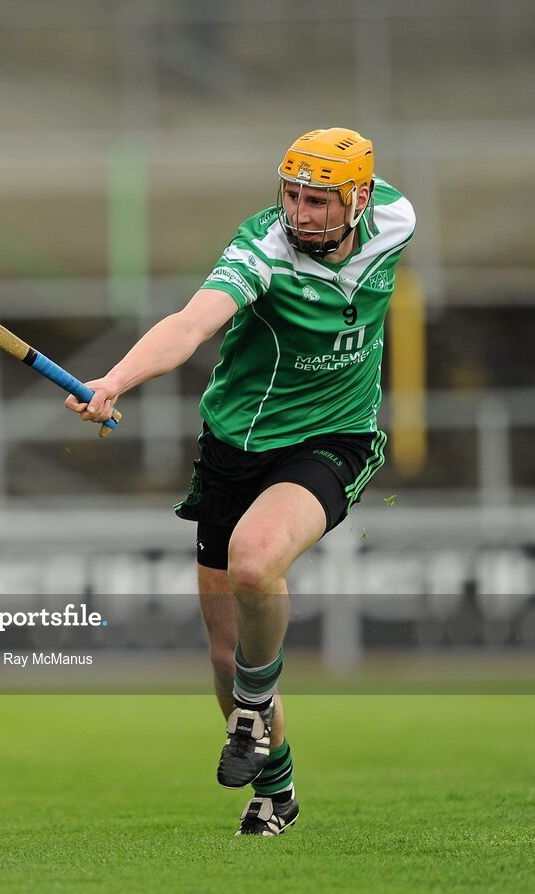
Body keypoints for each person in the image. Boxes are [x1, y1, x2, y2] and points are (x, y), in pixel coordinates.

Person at [67, 128, 415, 836]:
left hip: (333, 441)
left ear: (360, 199)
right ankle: (277, 788)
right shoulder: (262, 251)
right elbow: (191, 324)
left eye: (318, 200)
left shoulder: (398, 221)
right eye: (291, 195)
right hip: (235, 450)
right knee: (225, 656)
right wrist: (118, 378)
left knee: (256, 561)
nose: (301, 213)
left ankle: (257, 700)